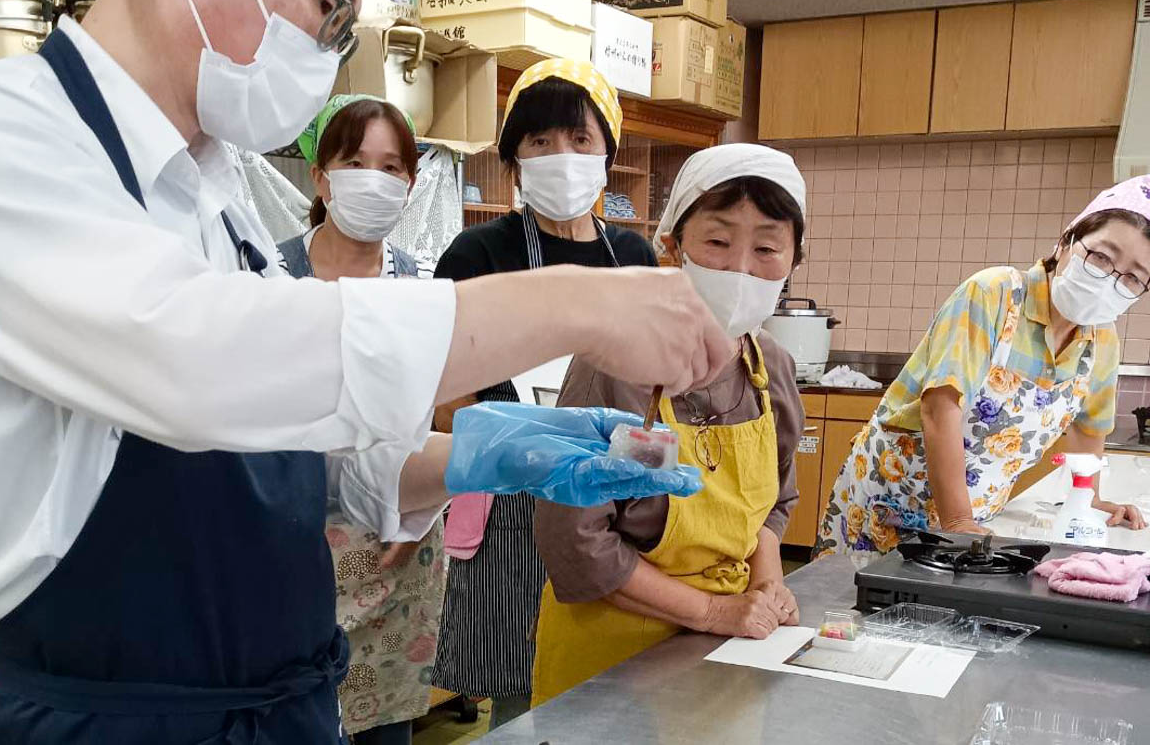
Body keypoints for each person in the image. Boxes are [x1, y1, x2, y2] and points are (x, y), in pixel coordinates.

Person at [0, 0, 733, 743]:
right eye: (327, 10)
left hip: (282, 704)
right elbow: (198, 363)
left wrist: (483, 454)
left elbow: (279, 454)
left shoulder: (210, 190)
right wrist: (574, 302)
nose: (327, 54)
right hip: (123, 720)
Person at [531, 144, 808, 706]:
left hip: (727, 652)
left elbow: (774, 502)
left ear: (795, 259)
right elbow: (575, 539)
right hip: (612, 654)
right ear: (674, 244)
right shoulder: (617, 361)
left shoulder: (770, 369)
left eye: (767, 248)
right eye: (717, 240)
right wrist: (713, 610)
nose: (740, 268)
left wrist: (766, 582)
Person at [431, 59, 658, 729]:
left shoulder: (634, 259)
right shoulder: (477, 253)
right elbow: (448, 393)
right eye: (540, 142)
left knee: (618, 680)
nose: (562, 156)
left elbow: (651, 386)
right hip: (514, 503)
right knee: (521, 694)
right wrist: (518, 454)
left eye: (580, 140)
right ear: (513, 164)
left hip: (616, 500)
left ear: (607, 156)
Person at [815, 175, 1150, 557]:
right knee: (850, 609)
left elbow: (1089, 431)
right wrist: (957, 522)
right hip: (889, 502)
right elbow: (940, 407)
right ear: (1067, 241)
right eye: (1102, 257)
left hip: (974, 522)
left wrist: (1086, 499)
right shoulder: (996, 294)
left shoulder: (1101, 340)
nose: (1110, 280)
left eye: (1133, 278)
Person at [278, 94, 438, 745]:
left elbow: (432, 408)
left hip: (396, 542)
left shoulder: (422, 282)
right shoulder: (268, 273)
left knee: (384, 731)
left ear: (410, 184)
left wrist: (417, 513)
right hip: (290, 536)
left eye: (392, 166)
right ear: (320, 177)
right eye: (355, 161)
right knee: (294, 718)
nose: (374, 179)